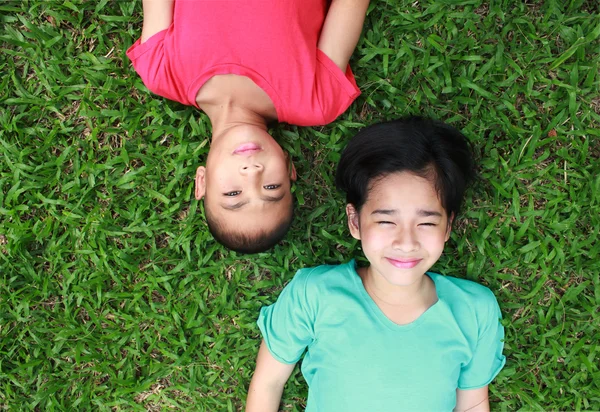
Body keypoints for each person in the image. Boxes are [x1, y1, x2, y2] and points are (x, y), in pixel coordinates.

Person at [246, 117, 506, 411]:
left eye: (426, 222)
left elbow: (472, 404)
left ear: (448, 227)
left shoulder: (475, 311)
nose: (406, 242)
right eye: (386, 221)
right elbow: (268, 382)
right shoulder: (313, 294)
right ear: (355, 221)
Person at [126, 0, 369, 253]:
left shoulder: (160, 72)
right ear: (289, 169)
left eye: (233, 194)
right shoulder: (315, 100)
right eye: (272, 187)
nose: (252, 171)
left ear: (202, 182)